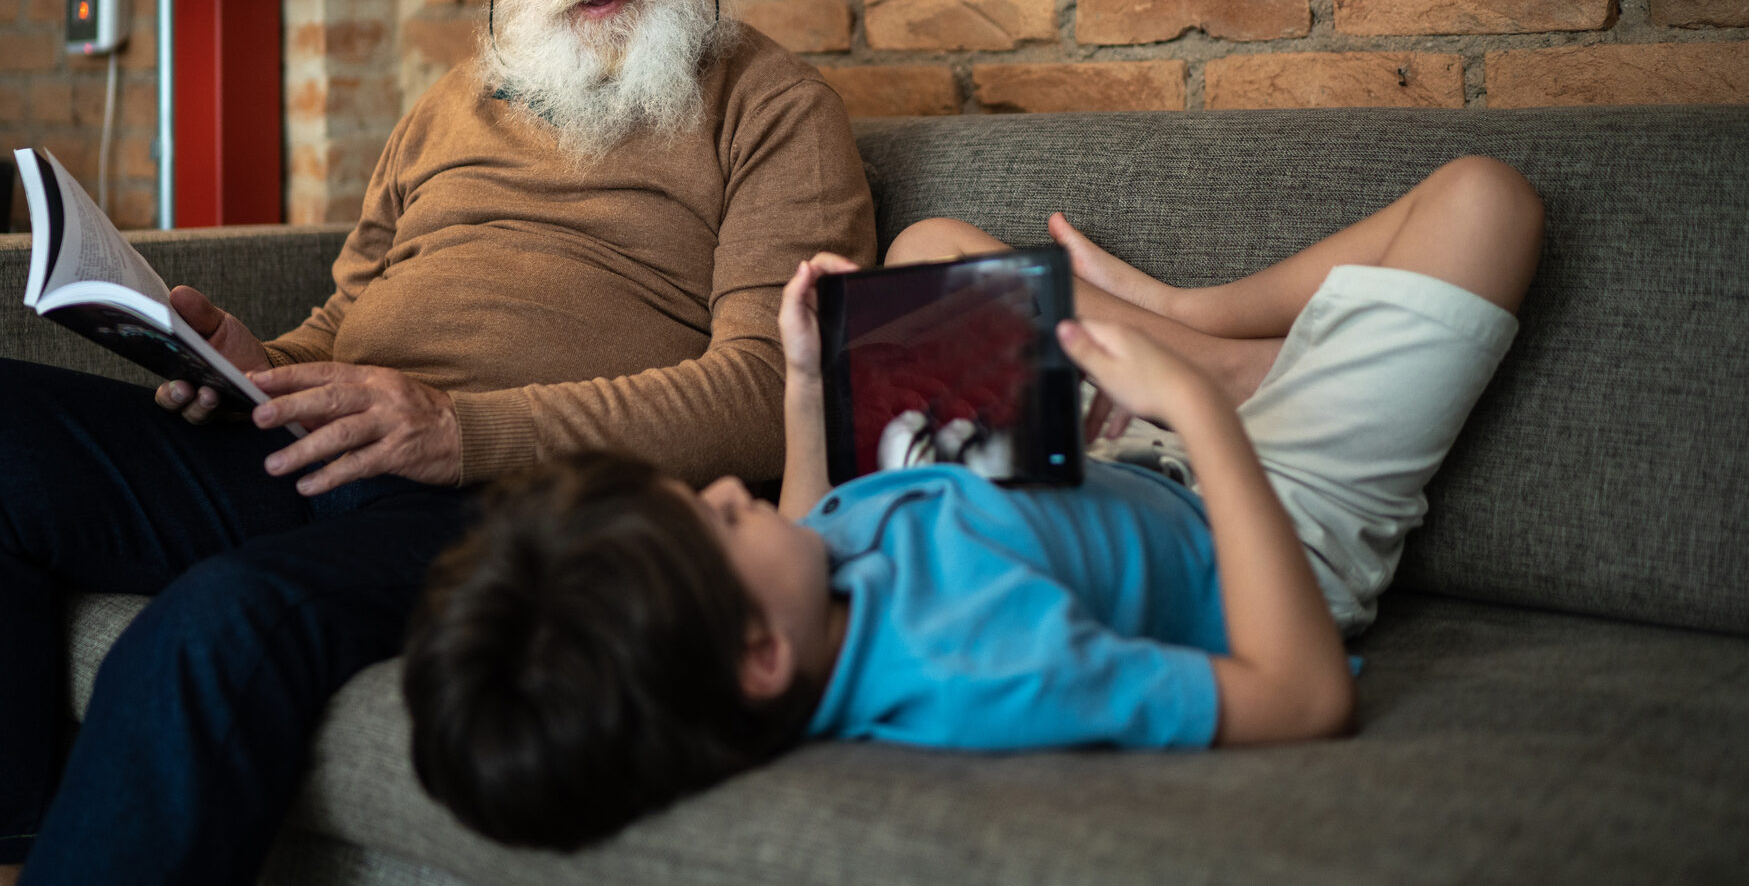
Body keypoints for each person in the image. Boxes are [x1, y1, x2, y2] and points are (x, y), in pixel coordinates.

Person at [0, 0, 875, 886]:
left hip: (520, 505)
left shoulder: (773, 110)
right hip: (319, 446)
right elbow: (348, 318)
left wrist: (462, 432)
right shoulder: (446, 108)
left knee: (222, 621)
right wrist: (248, 358)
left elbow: (767, 395)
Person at [401, 156, 1544, 849]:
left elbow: (808, 529)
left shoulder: (798, 622)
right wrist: (1194, 412)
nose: (721, 491)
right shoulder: (987, 665)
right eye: (719, 519)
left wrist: (809, 385)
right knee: (1485, 201)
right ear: (755, 653)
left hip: (1100, 465)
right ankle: (1224, 366)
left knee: (927, 251)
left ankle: (1200, 321)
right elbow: (1298, 699)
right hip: (1270, 522)